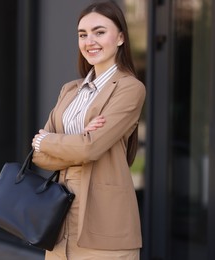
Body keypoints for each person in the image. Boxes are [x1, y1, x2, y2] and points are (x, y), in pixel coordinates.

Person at [31, 1, 146, 259]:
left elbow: (90, 148)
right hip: (59, 220)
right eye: (83, 34)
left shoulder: (130, 88)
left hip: (104, 223)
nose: (89, 41)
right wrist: (75, 141)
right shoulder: (69, 90)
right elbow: (39, 155)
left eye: (99, 32)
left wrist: (49, 140)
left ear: (120, 38)